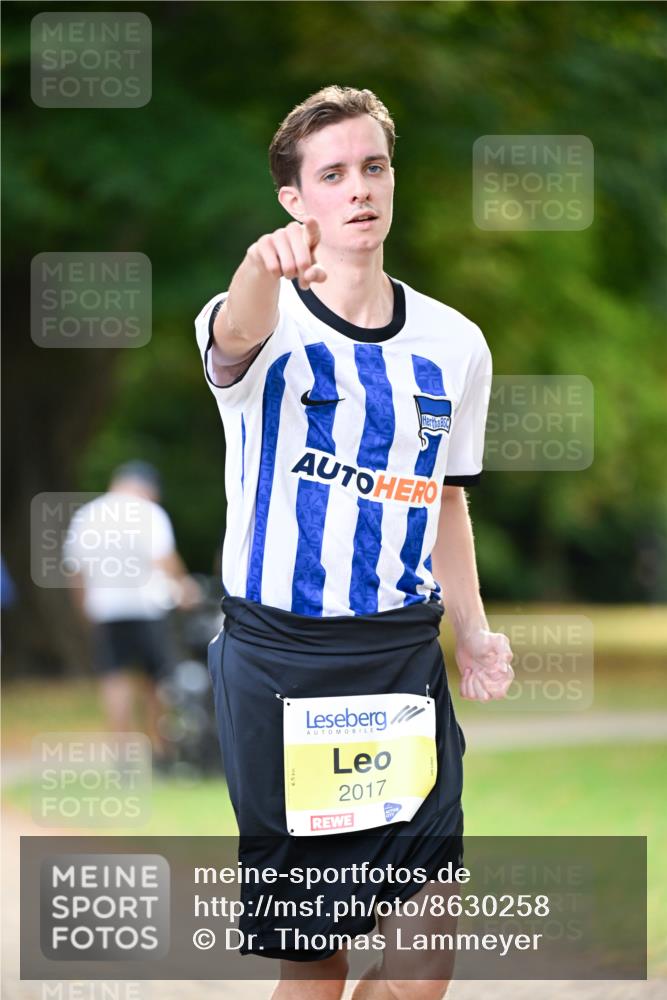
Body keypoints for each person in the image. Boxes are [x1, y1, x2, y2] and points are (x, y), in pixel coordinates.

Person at [196, 86, 514, 1000]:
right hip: (279, 663)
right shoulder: (263, 315)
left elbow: (445, 502)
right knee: (317, 962)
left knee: (423, 962)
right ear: (295, 199)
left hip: (399, 661)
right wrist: (263, 266)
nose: (358, 189)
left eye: (372, 167)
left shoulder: (454, 343)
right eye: (331, 175)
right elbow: (234, 333)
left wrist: (474, 632)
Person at [65, 461, 201, 762]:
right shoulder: (148, 513)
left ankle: (121, 754)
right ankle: (160, 749)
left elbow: (76, 571)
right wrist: (184, 588)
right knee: (158, 680)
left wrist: (85, 609)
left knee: (115, 680)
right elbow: (163, 559)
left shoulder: (88, 515)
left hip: (106, 609)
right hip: (148, 607)